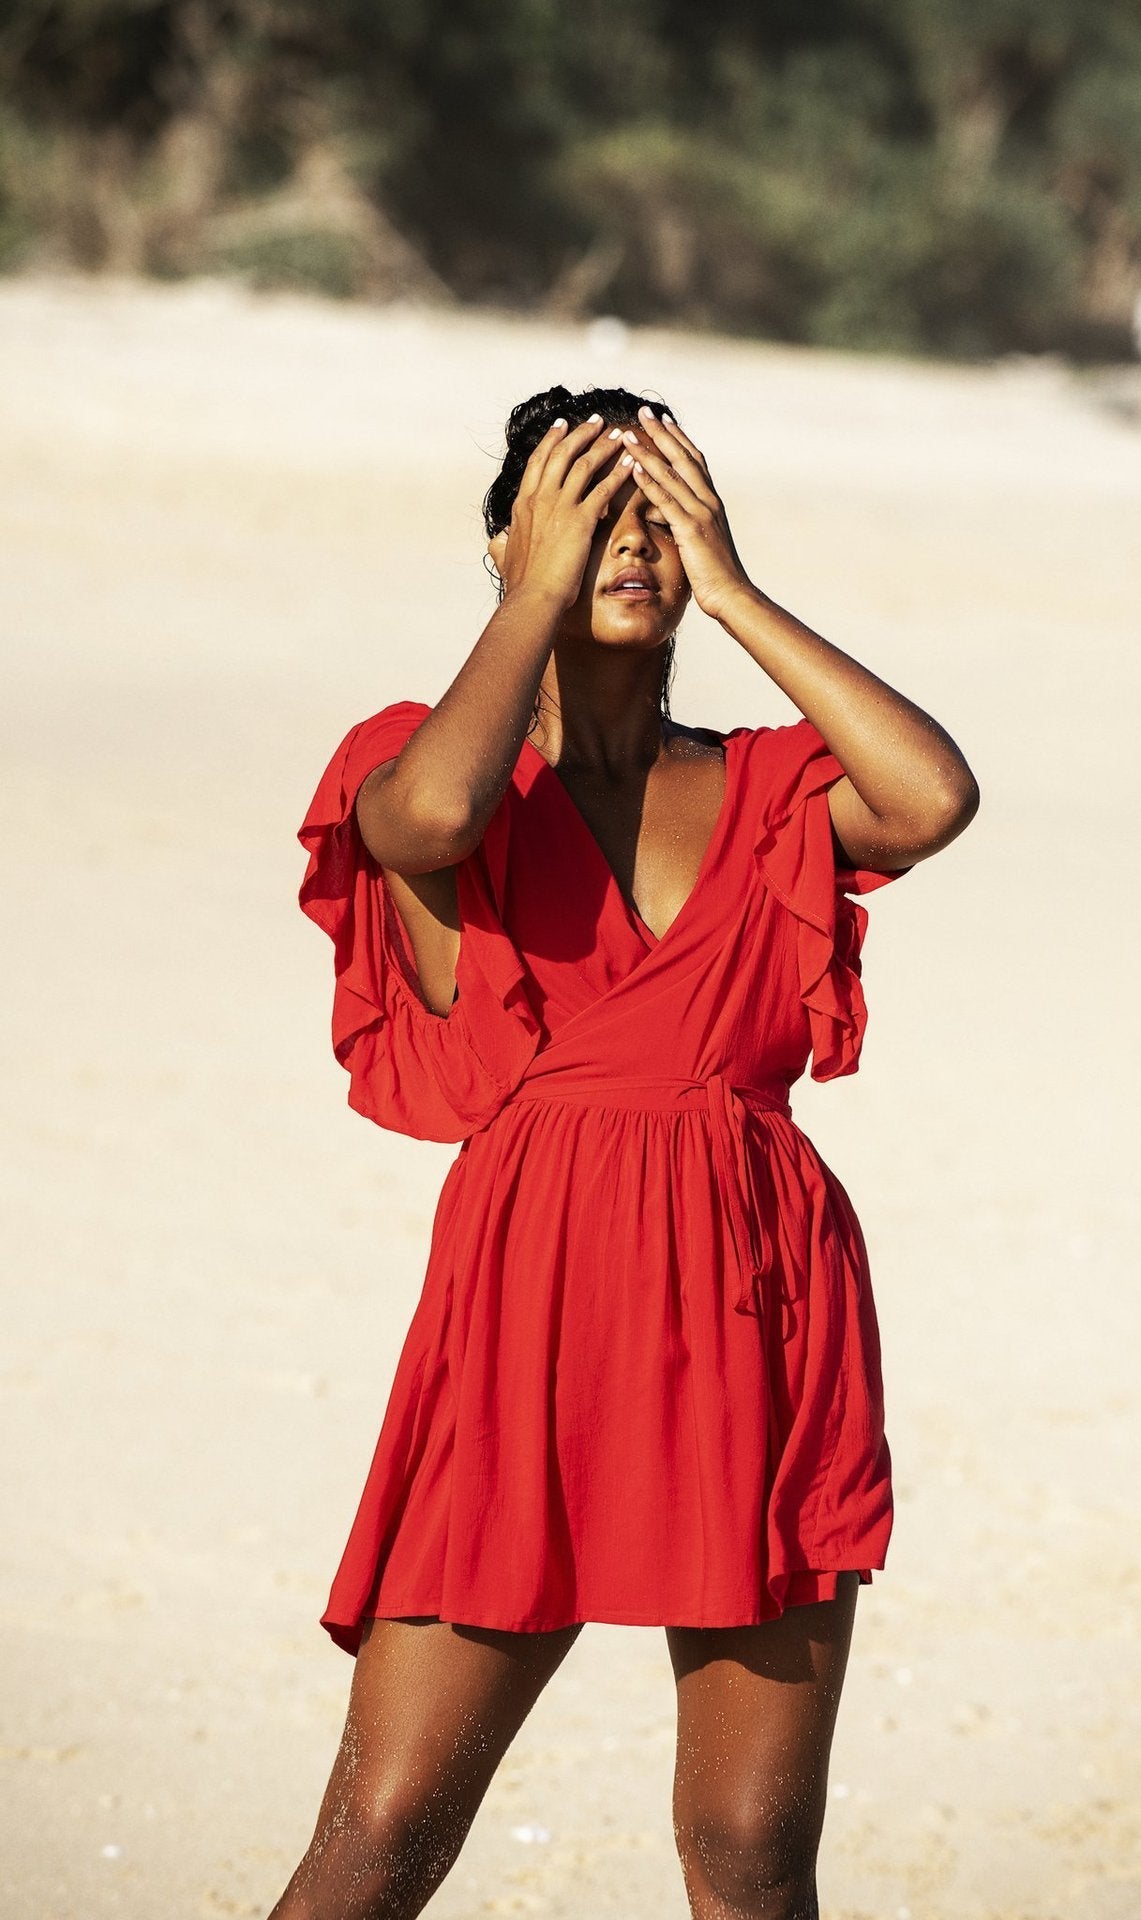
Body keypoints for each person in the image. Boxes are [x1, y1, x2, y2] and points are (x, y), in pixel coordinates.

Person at [275, 384, 979, 1920]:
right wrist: (536, 592)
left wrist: (733, 589)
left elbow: (934, 795)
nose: (627, 538)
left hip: (760, 1308)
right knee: (385, 1829)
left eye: (656, 505)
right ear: (507, 543)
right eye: (585, 504)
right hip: (531, 1311)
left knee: (746, 1850)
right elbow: (435, 819)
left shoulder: (772, 779)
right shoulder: (416, 755)